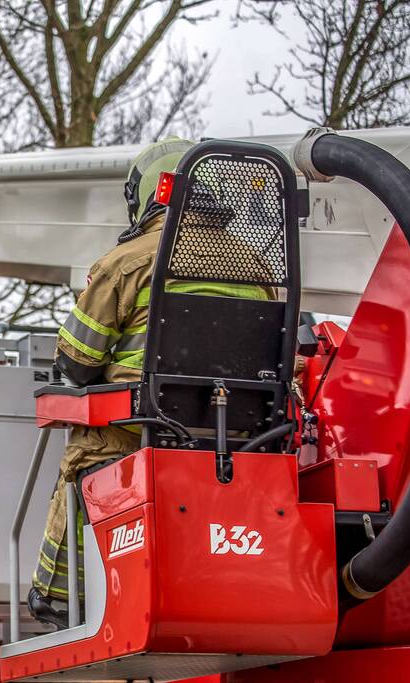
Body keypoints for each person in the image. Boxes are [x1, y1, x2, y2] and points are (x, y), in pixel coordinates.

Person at [27, 139, 273, 629]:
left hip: (137, 434)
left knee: (84, 451)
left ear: (147, 194)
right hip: (232, 444)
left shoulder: (127, 263)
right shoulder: (260, 270)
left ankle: (58, 596)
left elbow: (75, 362)